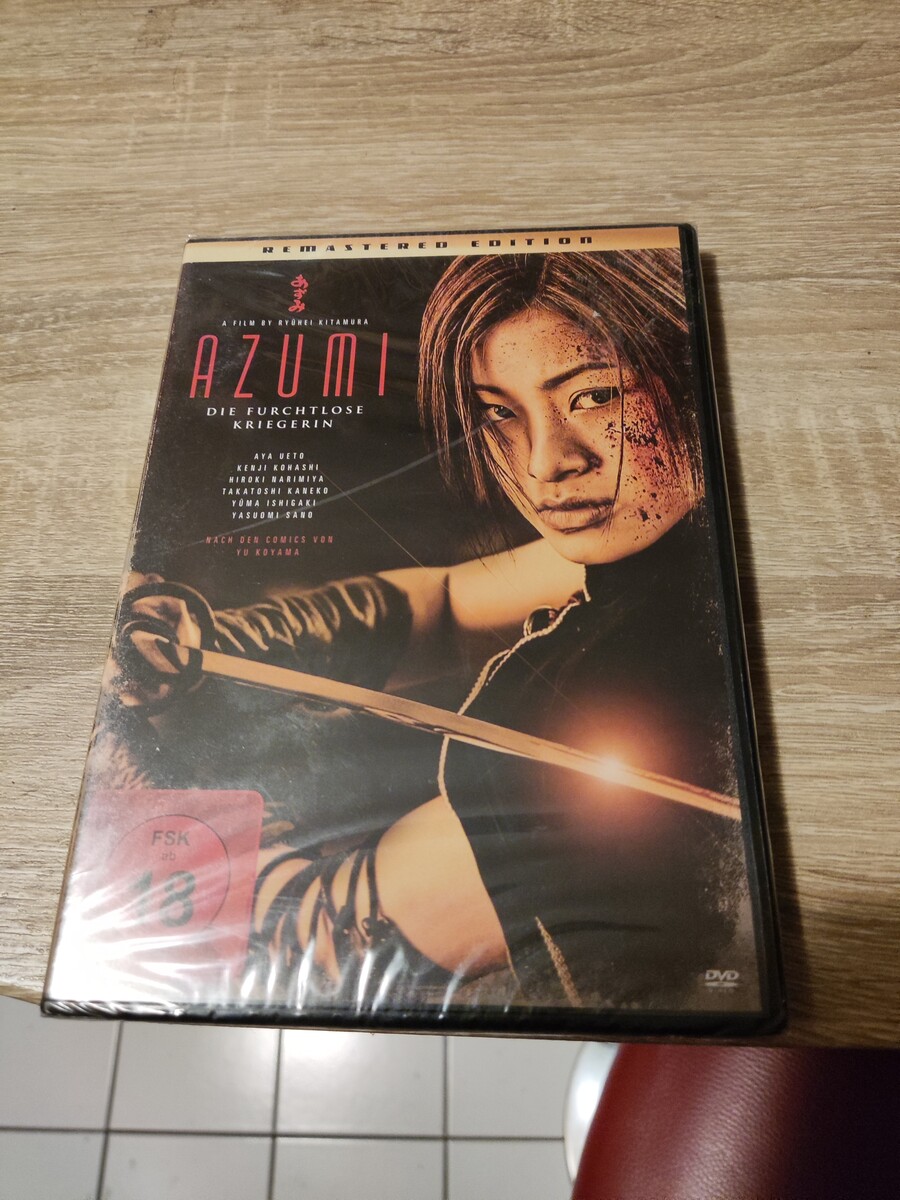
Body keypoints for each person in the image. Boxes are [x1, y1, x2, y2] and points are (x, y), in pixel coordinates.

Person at [113, 249, 751, 1013]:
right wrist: (215, 643)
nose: (545, 463)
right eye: (500, 412)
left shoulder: (606, 704)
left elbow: (306, 941)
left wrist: (129, 740)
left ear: (683, 366)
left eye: (594, 397)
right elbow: (446, 607)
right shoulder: (680, 544)